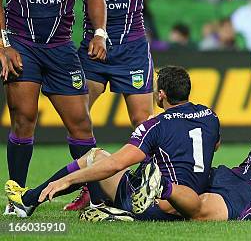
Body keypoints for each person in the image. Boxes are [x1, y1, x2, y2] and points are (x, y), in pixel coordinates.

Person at [65, 0, 242, 211]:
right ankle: (91, 188)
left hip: (131, 50)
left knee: (142, 122)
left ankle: (144, 188)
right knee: (78, 120)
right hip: (93, 48)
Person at [0, 0, 107, 214]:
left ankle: (95, 197)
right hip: (21, 45)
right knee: (24, 119)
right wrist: (3, 45)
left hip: (61, 50)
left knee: (80, 125)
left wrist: (100, 33)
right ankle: (16, 198)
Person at [5, 66, 221, 221]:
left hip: (159, 204)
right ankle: (100, 205)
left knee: (96, 157)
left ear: (162, 95)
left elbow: (114, 165)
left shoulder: (156, 125)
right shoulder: (209, 115)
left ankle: (31, 199)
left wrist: (67, 181)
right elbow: (215, 145)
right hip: (194, 202)